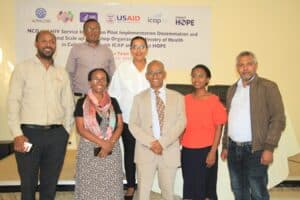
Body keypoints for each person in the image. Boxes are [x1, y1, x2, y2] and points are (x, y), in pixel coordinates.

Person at [7, 30, 74, 200]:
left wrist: (65, 132)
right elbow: (13, 102)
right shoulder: (23, 68)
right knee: (28, 184)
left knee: (49, 184)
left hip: (56, 135)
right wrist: (17, 134)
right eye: (44, 41)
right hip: (29, 135)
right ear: (36, 44)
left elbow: (68, 105)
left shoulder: (61, 73)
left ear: (55, 46)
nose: (48, 44)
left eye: (52, 41)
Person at [221, 51, 286, 200]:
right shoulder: (232, 89)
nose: (245, 68)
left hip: (256, 149)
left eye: (249, 64)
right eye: (241, 65)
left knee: (258, 191)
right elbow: (228, 119)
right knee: (238, 190)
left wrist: (269, 148)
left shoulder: (268, 87)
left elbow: (278, 118)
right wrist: (225, 146)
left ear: (256, 66)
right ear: (237, 68)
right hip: (233, 149)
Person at [129, 60, 186, 200]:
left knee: (168, 193)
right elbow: (133, 124)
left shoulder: (178, 97)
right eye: (151, 73)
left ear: (164, 75)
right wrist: (152, 143)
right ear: (147, 76)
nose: (155, 76)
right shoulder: (138, 98)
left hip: (169, 150)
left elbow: (181, 122)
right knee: (143, 192)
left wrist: (162, 143)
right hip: (145, 151)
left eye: (159, 72)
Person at [109, 36, 150, 199]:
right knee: (130, 153)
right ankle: (131, 185)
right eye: (135, 47)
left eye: (141, 47)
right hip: (127, 119)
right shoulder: (123, 68)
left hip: (148, 122)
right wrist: (118, 118)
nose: (138, 50)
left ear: (146, 49)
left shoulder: (153, 67)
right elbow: (114, 95)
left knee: (146, 154)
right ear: (130, 50)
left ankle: (145, 185)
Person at [74, 68, 124, 200]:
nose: (100, 81)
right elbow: (81, 129)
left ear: (107, 82)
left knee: (111, 184)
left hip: (112, 148)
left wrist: (110, 143)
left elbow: (119, 125)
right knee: (89, 184)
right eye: (96, 78)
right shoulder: (81, 103)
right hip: (89, 149)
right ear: (90, 82)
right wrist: (103, 143)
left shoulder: (113, 102)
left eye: (103, 79)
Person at [181, 65, 227, 200]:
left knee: (207, 190)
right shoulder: (185, 99)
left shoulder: (214, 100)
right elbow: (181, 125)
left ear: (207, 79)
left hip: (206, 151)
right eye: (194, 75)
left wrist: (213, 152)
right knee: (189, 188)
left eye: (201, 76)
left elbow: (219, 127)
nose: (196, 79)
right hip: (188, 151)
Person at [66, 18, 116, 97]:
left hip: (101, 98)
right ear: (84, 32)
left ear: (99, 31)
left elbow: (112, 75)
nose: (93, 31)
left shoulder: (107, 51)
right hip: (80, 97)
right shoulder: (76, 49)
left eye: (96, 29)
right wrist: (71, 94)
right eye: (90, 29)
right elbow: (69, 73)